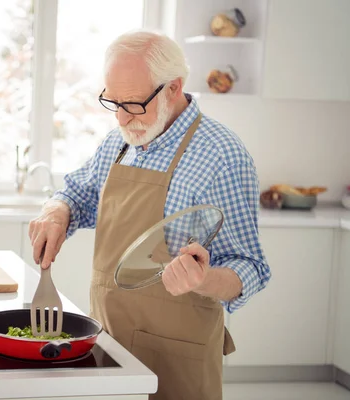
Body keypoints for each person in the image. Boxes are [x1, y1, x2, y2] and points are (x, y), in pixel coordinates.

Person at [28, 29, 271, 400]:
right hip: (107, 343)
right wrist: (56, 211)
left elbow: (250, 266)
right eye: (114, 103)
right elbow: (77, 193)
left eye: (135, 104)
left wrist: (202, 280)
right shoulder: (118, 144)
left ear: (173, 88)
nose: (123, 120)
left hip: (177, 358)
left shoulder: (223, 155)